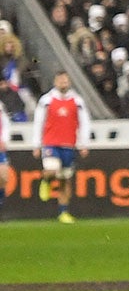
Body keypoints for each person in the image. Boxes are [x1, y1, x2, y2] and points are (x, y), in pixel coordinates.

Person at [33, 71, 87, 224]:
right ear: (55, 82)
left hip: (69, 144)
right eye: (60, 80)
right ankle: (46, 181)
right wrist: (36, 144)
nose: (63, 82)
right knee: (52, 170)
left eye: (65, 80)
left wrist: (83, 143)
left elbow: (83, 123)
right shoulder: (46, 100)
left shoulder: (77, 101)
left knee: (65, 180)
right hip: (51, 142)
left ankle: (63, 212)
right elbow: (39, 122)